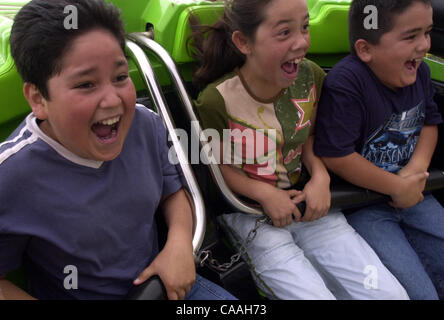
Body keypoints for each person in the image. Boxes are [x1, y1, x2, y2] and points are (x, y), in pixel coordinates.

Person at [0, 0, 236, 300]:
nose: (113, 100)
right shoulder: (11, 174)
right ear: (38, 99)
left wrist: (177, 244)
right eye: (86, 84)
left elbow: (173, 191)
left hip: (166, 286)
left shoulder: (146, 125)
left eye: (120, 77)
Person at [191, 0, 408, 300]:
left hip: (307, 203)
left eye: (305, 27)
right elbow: (217, 169)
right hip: (250, 213)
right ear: (244, 42)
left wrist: (321, 178)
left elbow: (309, 136)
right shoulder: (216, 101)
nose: (302, 42)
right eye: (284, 33)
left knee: (388, 295)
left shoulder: (310, 77)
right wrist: (265, 194)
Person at [314, 0, 444, 300]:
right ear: (365, 50)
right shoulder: (347, 83)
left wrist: (417, 168)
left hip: (414, 192)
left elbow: (429, 123)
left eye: (427, 32)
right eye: (410, 37)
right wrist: (395, 186)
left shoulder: (420, 72)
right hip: (362, 204)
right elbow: (337, 155)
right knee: (419, 293)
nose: (424, 45)